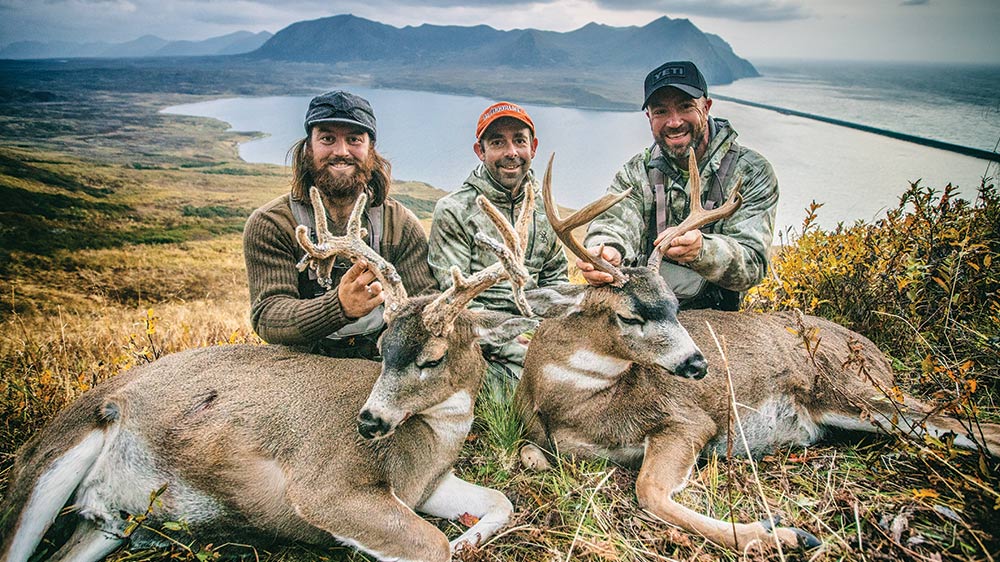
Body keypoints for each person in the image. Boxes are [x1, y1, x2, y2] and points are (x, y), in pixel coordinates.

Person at [243, 90, 435, 359]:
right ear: (308, 147)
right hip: (301, 365)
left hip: (380, 363)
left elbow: (425, 305)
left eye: (354, 139)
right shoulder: (272, 223)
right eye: (327, 139)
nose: (341, 151)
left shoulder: (400, 224)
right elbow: (268, 315)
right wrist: (339, 306)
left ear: (371, 150)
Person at [581, 60, 778, 310]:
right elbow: (614, 222)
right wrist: (607, 251)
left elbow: (753, 265)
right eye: (661, 111)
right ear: (648, 117)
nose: (674, 122)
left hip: (716, 317)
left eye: (685, 107)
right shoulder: (637, 171)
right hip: (645, 309)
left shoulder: (751, 173)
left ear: (706, 108)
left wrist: (703, 251)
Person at [428, 101, 568, 386]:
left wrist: (552, 332)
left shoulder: (543, 209)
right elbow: (460, 303)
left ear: (534, 147)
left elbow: (556, 279)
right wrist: (523, 344)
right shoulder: (454, 210)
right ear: (480, 151)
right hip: (479, 343)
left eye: (519, 141)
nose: (511, 152)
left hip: (537, 333)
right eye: (497, 143)